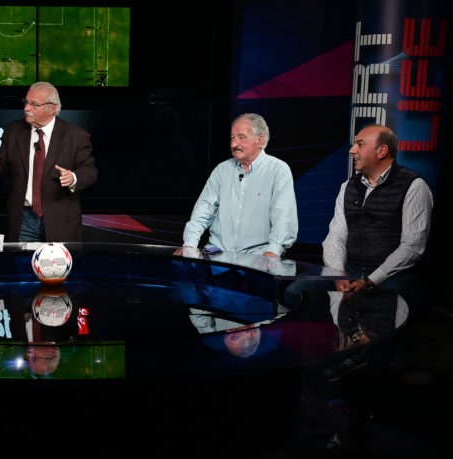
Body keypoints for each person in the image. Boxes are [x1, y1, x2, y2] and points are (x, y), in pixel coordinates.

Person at [284, 124, 433, 319]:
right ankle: (335, 332)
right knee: (295, 293)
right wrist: (338, 273)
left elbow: (412, 247)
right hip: (350, 269)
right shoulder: (348, 186)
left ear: (382, 151)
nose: (352, 150)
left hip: (393, 274)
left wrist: (371, 280)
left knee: (379, 306)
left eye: (360, 144)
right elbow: (335, 236)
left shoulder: (414, 186)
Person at [0, 81, 98, 242]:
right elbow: (5, 166)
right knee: (22, 259)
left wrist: (73, 178)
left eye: (34, 104)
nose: (26, 108)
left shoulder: (76, 135)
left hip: (60, 219)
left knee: (57, 260)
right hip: (24, 219)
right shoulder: (13, 131)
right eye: (26, 102)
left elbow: (90, 170)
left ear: (51, 109)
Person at [175, 113, 298, 257]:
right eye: (232, 138)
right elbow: (203, 210)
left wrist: (272, 252)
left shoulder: (278, 170)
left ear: (260, 140)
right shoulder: (222, 170)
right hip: (217, 250)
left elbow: (283, 218)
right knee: (183, 265)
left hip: (256, 255)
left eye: (241, 137)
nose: (234, 144)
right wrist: (189, 245)